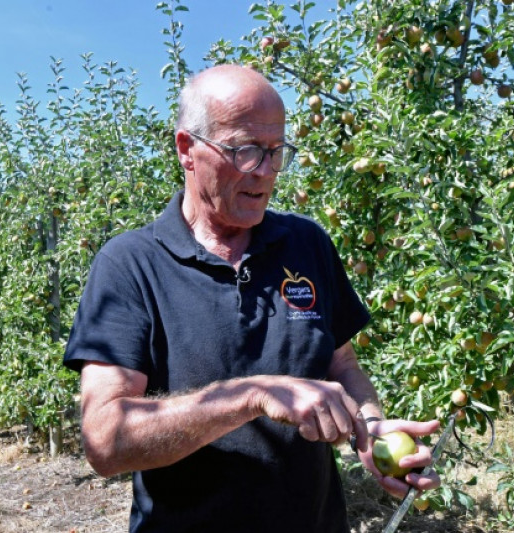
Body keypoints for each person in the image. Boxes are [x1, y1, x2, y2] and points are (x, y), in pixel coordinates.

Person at [62, 64, 440, 532]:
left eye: (276, 151)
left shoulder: (307, 245)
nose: (264, 172)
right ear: (187, 149)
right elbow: (106, 440)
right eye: (244, 150)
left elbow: (341, 365)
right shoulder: (130, 265)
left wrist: (369, 427)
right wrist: (253, 394)